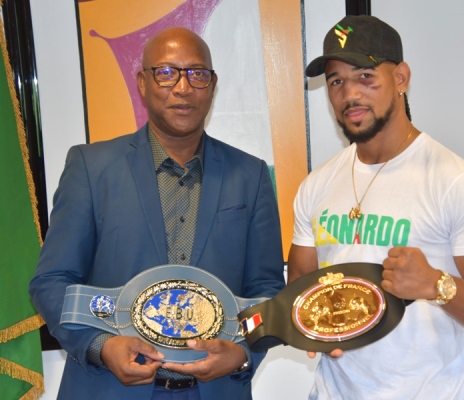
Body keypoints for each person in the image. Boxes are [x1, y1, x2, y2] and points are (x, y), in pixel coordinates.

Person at [29, 27, 285, 399]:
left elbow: (267, 292)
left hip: (214, 390)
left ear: (213, 85)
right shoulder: (91, 167)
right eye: (166, 73)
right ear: (142, 83)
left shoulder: (250, 174)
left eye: (197, 74)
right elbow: (52, 282)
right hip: (109, 388)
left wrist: (243, 352)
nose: (183, 87)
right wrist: (101, 346)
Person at [288, 15, 464, 399]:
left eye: (365, 76)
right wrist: (309, 329)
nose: (349, 94)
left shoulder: (455, 182)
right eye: (336, 81)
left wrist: (437, 285)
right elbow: (301, 287)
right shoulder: (317, 185)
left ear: (401, 78)